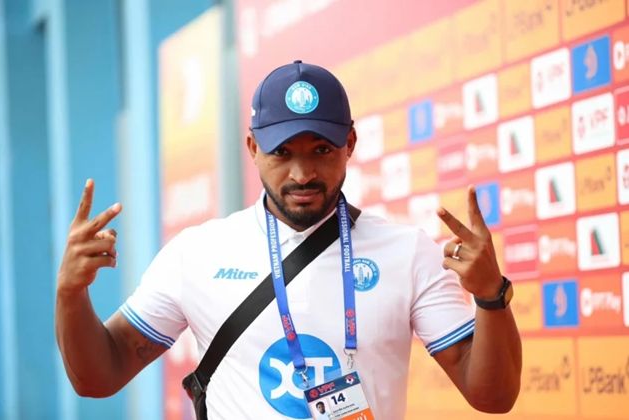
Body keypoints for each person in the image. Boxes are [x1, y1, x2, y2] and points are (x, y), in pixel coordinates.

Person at [55, 60, 521, 419]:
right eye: (282, 152)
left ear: (350, 145)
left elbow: (493, 397)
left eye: (321, 150)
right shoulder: (196, 254)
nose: (302, 174)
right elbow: (100, 377)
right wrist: (71, 293)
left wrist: (490, 297)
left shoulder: (407, 252)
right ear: (253, 149)